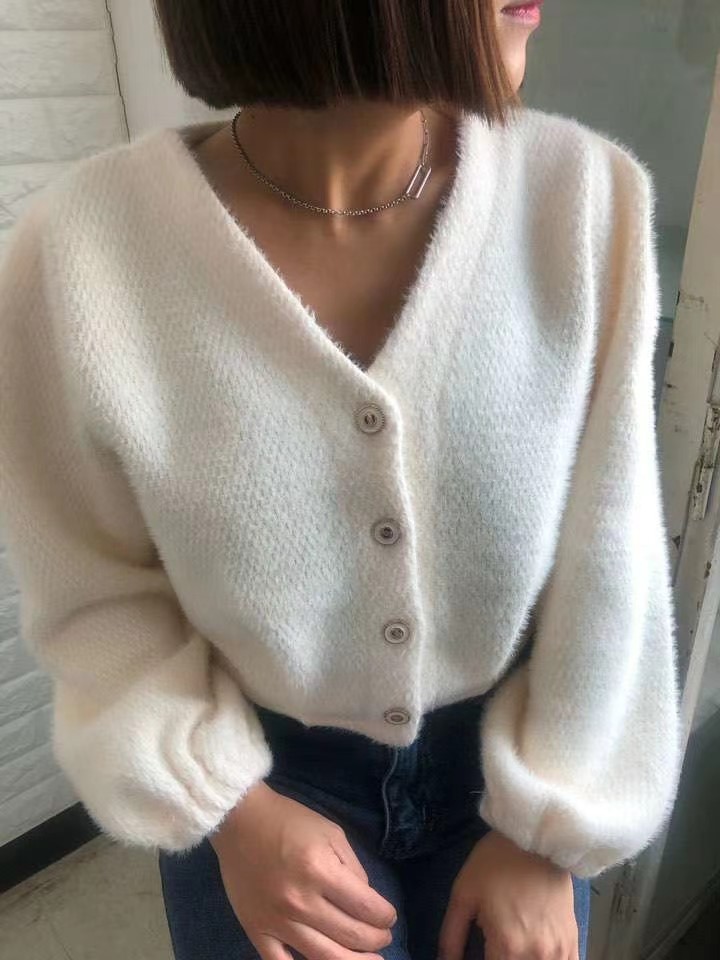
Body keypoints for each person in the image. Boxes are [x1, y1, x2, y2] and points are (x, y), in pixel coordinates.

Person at [0, 2, 683, 960]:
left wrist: (550, 830)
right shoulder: (82, 254)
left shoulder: (583, 201)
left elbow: (612, 552)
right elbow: (93, 590)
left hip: (522, 766)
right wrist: (228, 805)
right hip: (259, 778)